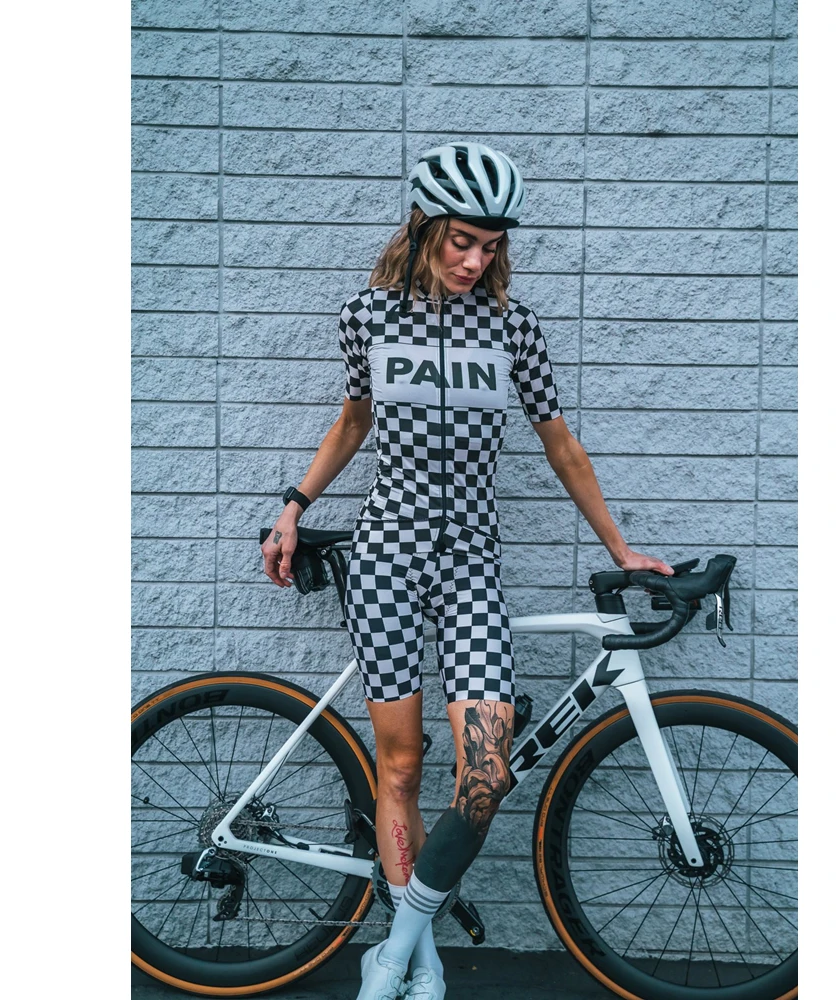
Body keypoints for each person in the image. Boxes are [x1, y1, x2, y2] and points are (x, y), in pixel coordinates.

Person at [261, 143, 674, 1000]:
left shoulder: (514, 329)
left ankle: (394, 951)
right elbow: (353, 422)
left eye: (490, 246)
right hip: (385, 558)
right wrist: (294, 504)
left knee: (484, 774)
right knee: (402, 768)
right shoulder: (367, 316)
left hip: (471, 566)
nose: (474, 261)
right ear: (424, 229)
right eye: (460, 241)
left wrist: (620, 549)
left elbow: (560, 444)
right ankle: (418, 958)